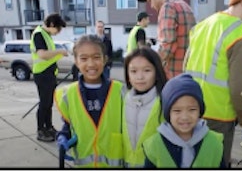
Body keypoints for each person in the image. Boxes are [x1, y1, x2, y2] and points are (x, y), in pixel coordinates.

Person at [183, 0, 242, 168]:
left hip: (190, 113)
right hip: (218, 121)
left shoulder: (203, 26)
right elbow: (240, 90)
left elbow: (186, 69)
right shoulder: (241, 35)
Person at [55, 35, 125, 168]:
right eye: (84, 58)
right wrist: (63, 136)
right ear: (76, 61)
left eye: (96, 57)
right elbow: (69, 125)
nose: (91, 64)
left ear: (105, 59)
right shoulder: (68, 94)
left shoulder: (120, 91)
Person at [142, 74, 226, 168]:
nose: (185, 117)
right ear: (168, 113)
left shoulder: (214, 143)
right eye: (177, 111)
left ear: (200, 111)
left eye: (192, 110)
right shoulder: (154, 145)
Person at [122, 48, 168, 168]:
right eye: (133, 71)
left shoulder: (164, 101)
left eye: (147, 70)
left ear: (157, 72)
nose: (140, 77)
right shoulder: (123, 99)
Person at [138, 0, 196, 79]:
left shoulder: (167, 8)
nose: (152, 6)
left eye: (150, 1)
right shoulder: (186, 6)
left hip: (173, 76)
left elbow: (167, 47)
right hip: (187, 72)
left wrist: (149, 65)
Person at [30, 13, 67, 142]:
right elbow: (42, 55)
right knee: (44, 103)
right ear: (51, 25)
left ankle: (49, 127)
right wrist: (59, 52)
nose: (58, 32)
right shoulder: (39, 34)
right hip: (42, 74)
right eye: (58, 29)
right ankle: (41, 130)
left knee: (49, 103)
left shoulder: (47, 35)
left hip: (49, 74)